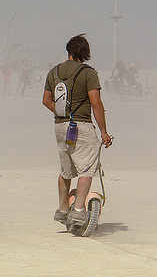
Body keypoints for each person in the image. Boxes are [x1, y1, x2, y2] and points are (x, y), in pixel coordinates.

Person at [42, 34, 112, 224]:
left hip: (60, 126)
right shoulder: (88, 73)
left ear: (69, 51)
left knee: (66, 170)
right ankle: (79, 210)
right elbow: (96, 103)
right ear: (86, 52)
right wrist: (104, 132)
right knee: (86, 169)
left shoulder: (54, 72)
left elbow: (46, 101)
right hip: (81, 126)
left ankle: (63, 210)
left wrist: (63, 112)